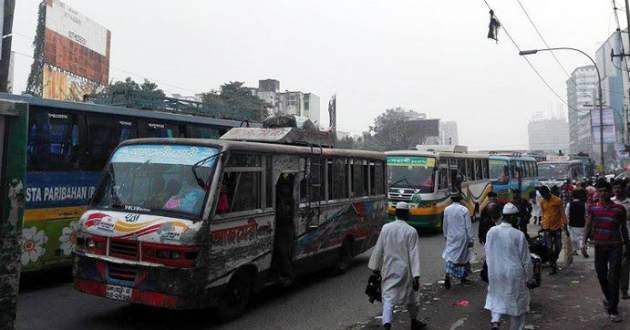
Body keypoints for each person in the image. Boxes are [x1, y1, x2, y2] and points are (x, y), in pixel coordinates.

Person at [368, 202, 426, 330]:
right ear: (407, 214)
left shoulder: (386, 228)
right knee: (413, 299)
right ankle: (414, 321)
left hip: (389, 269)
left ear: (396, 213)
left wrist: (375, 269)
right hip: (406, 272)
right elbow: (413, 254)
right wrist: (416, 276)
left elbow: (378, 250)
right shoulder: (411, 232)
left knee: (388, 299)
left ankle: (387, 325)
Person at [582, 181, 630, 322]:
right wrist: (583, 243)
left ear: (610, 192)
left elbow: (623, 229)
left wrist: (627, 245)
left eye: (605, 191)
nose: (602, 193)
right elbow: (587, 226)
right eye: (600, 191)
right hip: (600, 246)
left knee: (614, 277)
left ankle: (613, 309)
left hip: (616, 245)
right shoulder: (592, 208)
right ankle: (609, 298)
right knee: (601, 275)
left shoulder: (619, 209)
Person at [484, 202, 534, 330]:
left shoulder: (492, 231)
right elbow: (526, 260)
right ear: (513, 217)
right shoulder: (518, 235)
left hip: (495, 271)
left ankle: (495, 321)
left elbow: (488, 252)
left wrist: (491, 269)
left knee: (497, 296)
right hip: (514, 273)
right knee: (517, 304)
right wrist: (530, 278)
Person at [442, 193, 474, 289]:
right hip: (462, 236)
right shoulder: (464, 210)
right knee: (463, 257)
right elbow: (468, 226)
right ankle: (463, 277)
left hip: (451, 235)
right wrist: (471, 238)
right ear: (460, 199)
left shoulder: (447, 209)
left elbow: (445, 224)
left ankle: (447, 274)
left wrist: (445, 235)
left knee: (450, 256)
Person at [539, 185, 568, 275]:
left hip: (557, 227)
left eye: (545, 195)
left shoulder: (557, 201)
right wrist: (542, 225)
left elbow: (562, 214)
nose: (545, 197)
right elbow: (543, 214)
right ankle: (553, 265)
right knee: (549, 248)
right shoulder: (542, 202)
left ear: (548, 192)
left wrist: (565, 227)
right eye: (543, 195)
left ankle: (554, 259)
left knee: (558, 246)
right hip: (546, 228)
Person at [612, 179, 630, 300]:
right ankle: (613, 289)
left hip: (626, 238)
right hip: (612, 238)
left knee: (624, 265)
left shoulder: (629, 203)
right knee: (613, 265)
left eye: (619, 187)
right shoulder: (611, 203)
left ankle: (623, 289)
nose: (617, 190)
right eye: (615, 188)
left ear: (624, 188)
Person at [565, 189, 588, 258]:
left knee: (573, 238)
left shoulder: (569, 204)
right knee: (581, 237)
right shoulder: (584, 204)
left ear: (572, 196)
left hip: (572, 224)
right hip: (582, 223)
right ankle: (582, 247)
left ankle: (574, 251)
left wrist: (567, 223)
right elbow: (586, 215)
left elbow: (566, 215)